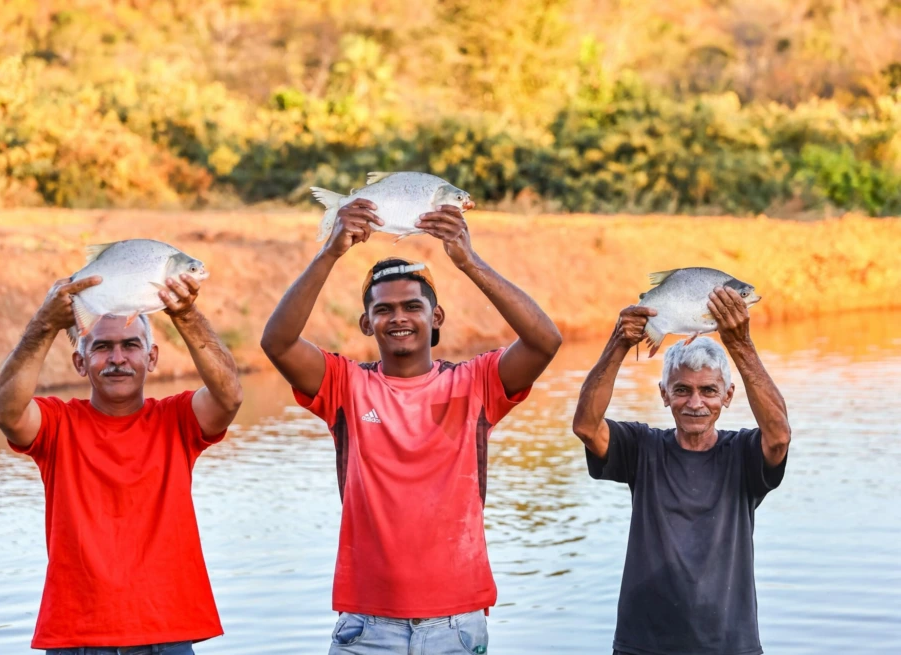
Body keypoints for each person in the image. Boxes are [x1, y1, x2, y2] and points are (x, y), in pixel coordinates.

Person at [261, 200, 562, 654]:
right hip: (367, 626)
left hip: (456, 623)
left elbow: (544, 341)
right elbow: (277, 343)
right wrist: (330, 252)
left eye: (412, 306)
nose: (398, 317)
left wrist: (468, 261)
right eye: (384, 310)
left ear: (435, 317)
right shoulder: (346, 386)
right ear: (367, 323)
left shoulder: (475, 383)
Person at [0, 272, 242, 654]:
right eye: (102, 347)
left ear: (151, 357)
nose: (118, 358)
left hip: (168, 630)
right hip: (78, 635)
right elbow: (8, 413)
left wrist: (186, 315)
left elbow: (228, 398)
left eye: (131, 345)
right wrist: (44, 324)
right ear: (81, 362)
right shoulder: (57, 424)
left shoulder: (177, 419)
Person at [572, 289, 791, 655]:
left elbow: (779, 436)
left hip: (729, 645)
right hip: (644, 645)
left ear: (727, 395)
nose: (695, 403)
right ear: (663, 394)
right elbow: (586, 426)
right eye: (682, 390)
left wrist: (741, 345)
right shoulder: (642, 447)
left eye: (708, 390)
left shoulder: (743, 453)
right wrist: (618, 344)